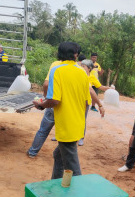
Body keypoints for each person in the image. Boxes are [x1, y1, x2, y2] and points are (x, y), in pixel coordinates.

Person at [27, 49, 104, 158]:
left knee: (43, 130)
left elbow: (45, 85)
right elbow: (89, 92)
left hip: (52, 103)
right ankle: (63, 155)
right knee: (66, 135)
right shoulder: (78, 70)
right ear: (75, 56)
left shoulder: (55, 65)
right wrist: (99, 105)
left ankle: (32, 152)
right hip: (66, 107)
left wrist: (45, 99)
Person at [32, 42, 91, 179]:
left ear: (59, 54)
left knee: (73, 170)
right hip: (78, 124)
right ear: (75, 55)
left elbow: (54, 100)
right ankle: (56, 182)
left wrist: (41, 105)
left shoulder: (57, 70)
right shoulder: (82, 73)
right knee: (58, 155)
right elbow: (87, 101)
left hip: (66, 125)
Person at [79, 59, 110, 146]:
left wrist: (110, 88)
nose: (81, 67)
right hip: (75, 100)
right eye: (81, 66)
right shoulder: (78, 75)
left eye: (83, 66)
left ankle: (81, 138)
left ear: (89, 68)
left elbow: (101, 87)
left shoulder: (92, 77)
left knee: (82, 120)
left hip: (85, 102)